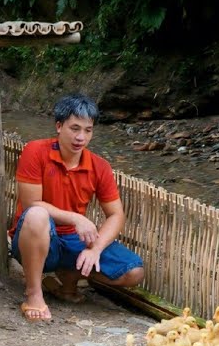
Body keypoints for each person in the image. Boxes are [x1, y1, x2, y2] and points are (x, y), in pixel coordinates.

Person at [9, 93, 145, 322]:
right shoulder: (35, 151)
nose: (80, 137)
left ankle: (68, 278)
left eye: (87, 130)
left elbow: (116, 215)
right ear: (59, 126)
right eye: (74, 128)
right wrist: (75, 218)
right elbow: (32, 203)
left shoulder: (99, 166)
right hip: (37, 237)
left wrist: (96, 249)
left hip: (73, 241)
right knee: (37, 215)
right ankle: (33, 293)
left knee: (134, 271)